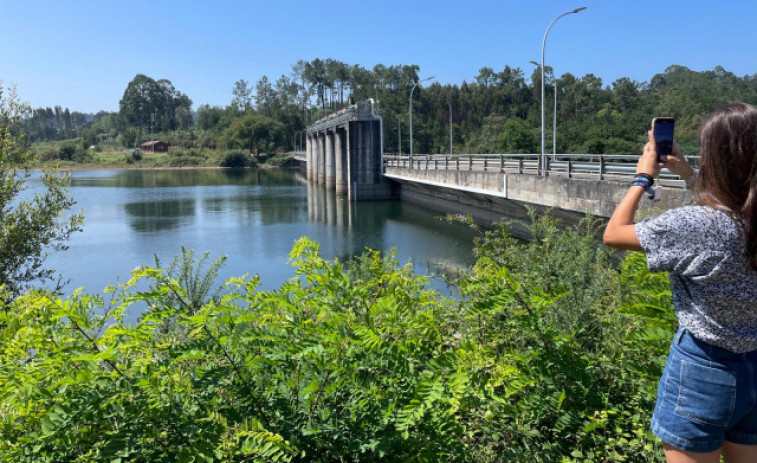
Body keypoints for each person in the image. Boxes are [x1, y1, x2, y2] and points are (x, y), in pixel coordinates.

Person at [603, 102, 757, 463]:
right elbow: (734, 205)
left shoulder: (695, 226)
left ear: (716, 159)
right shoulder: (743, 222)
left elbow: (614, 233)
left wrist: (644, 177)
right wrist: (688, 173)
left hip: (704, 369)